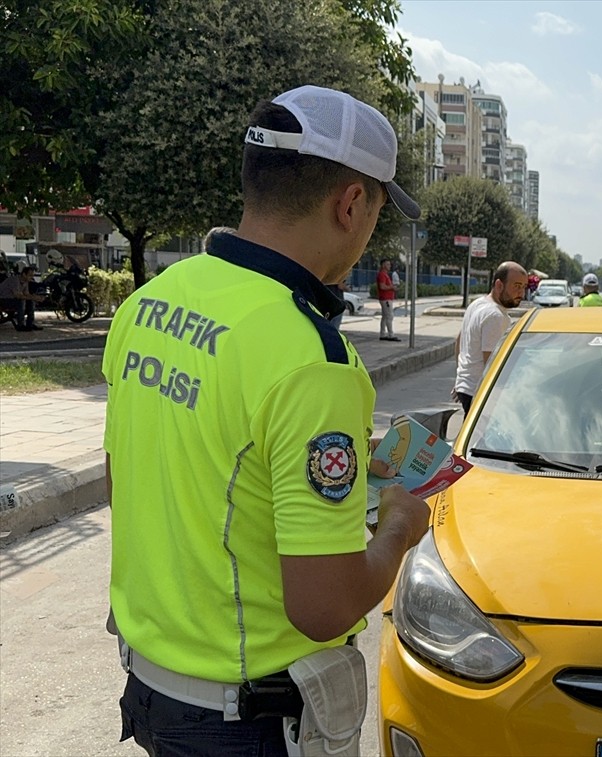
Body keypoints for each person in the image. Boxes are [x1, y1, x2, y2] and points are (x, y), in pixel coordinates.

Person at [101, 84, 430, 757]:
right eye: (375, 213)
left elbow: (142, 477)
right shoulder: (312, 355)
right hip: (246, 723)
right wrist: (399, 523)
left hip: (154, 694)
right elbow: (325, 606)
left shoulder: (150, 303)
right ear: (351, 203)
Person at [452, 261, 528, 413]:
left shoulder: (477, 304)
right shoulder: (495, 316)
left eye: (524, 287)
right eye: (516, 286)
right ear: (499, 285)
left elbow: (460, 341)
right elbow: (492, 364)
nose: (521, 293)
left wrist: (462, 378)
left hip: (467, 388)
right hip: (480, 392)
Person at [0, 265, 46, 330]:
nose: (32, 277)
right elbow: (18, 295)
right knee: (21, 301)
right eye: (30, 275)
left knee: (30, 301)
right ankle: (20, 325)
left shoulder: (25, 282)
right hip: (3, 299)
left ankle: (30, 324)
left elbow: (26, 294)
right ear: (24, 274)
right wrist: (33, 298)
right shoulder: (14, 280)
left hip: (12, 299)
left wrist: (35, 297)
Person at [377, 259, 398, 340]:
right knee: (389, 316)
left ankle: (382, 334)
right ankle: (391, 334)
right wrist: (392, 287)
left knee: (385, 317)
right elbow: (382, 286)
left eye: (389, 264)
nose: (390, 266)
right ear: (383, 265)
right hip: (386, 299)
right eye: (388, 264)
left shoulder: (385, 275)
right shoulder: (382, 275)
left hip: (386, 298)